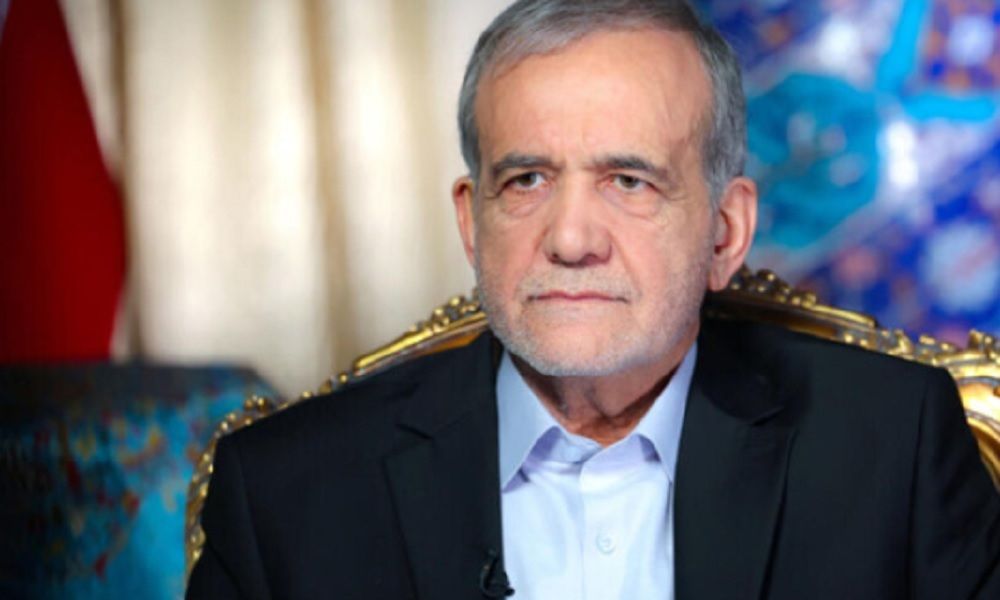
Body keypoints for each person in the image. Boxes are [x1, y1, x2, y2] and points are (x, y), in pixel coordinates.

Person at [186, 1, 1000, 598]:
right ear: (472, 222)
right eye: (526, 180)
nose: (571, 239)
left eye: (629, 181)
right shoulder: (284, 493)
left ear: (725, 233)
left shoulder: (892, 448)